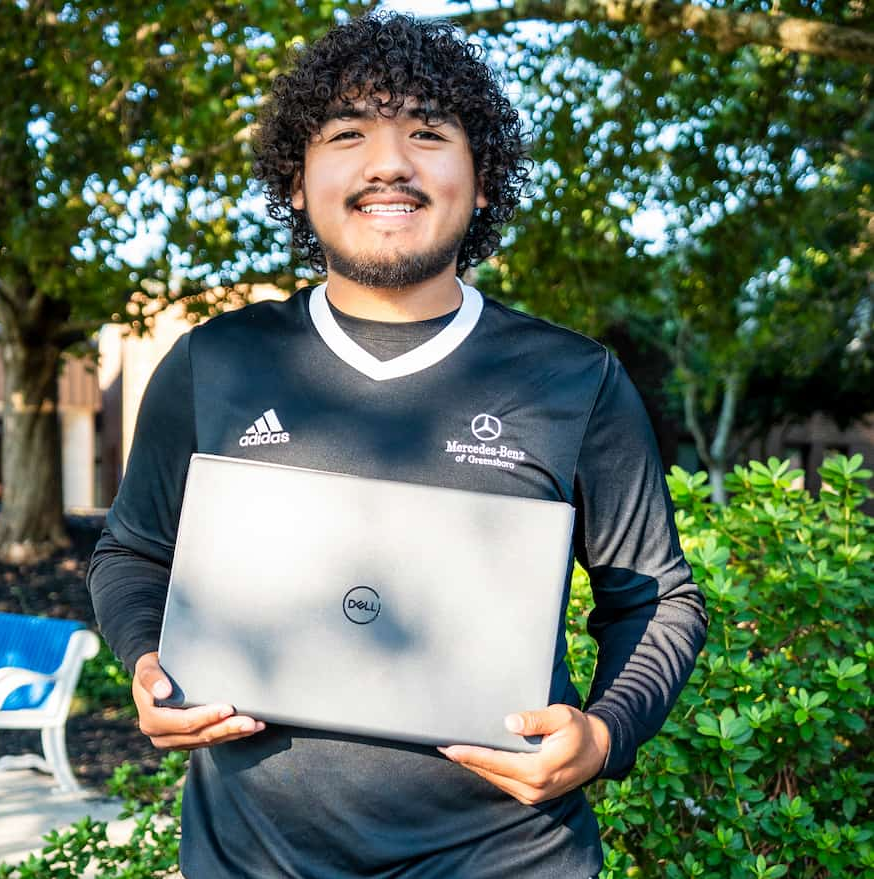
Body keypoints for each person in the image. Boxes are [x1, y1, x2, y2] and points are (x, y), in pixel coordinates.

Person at [88, 12, 708, 878]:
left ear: (482, 180)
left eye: (426, 133)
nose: (389, 163)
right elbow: (131, 552)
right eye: (348, 133)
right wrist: (147, 664)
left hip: (511, 858)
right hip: (249, 859)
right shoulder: (213, 362)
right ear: (296, 183)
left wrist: (604, 734)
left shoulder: (577, 381)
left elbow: (658, 597)